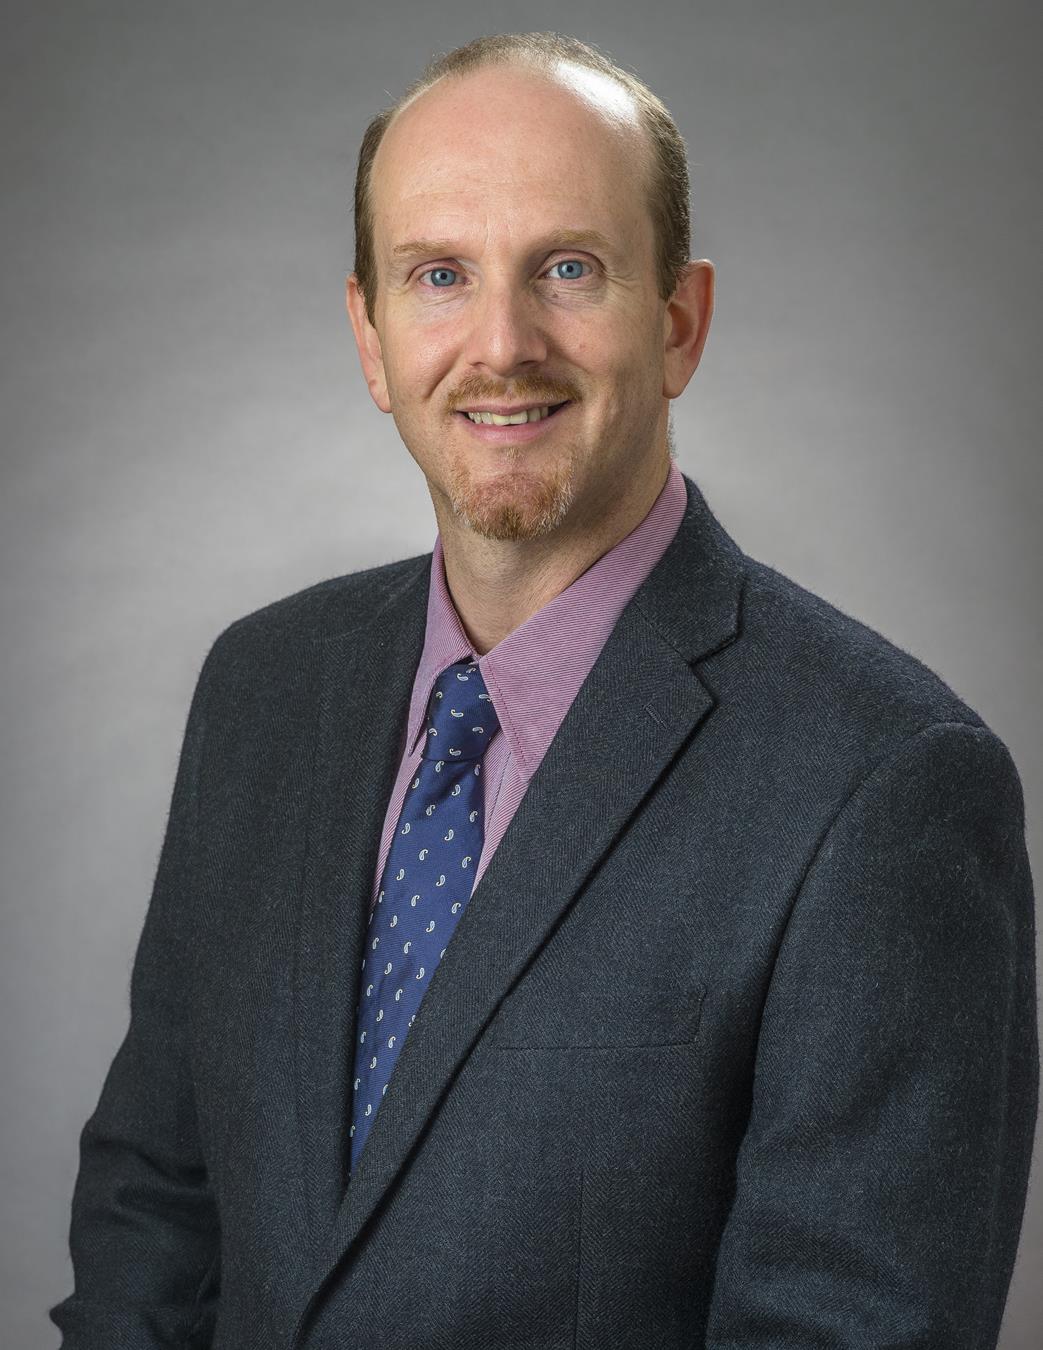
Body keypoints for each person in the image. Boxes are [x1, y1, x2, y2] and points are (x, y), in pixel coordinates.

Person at [51, 31, 1038, 1350]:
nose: (502, 345)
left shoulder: (885, 785)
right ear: (370, 336)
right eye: (439, 275)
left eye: (568, 269)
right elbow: (153, 1216)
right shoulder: (262, 691)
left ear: (679, 322)